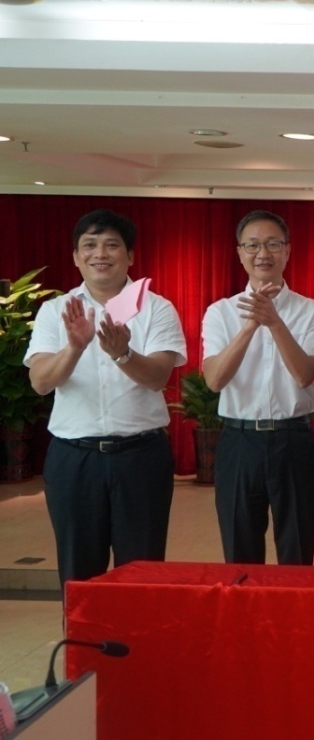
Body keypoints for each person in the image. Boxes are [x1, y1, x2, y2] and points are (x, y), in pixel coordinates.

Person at [26, 209, 186, 586]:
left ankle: (138, 629)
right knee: (78, 571)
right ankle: (83, 630)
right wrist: (74, 347)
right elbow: (40, 382)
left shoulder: (157, 308)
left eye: (112, 245)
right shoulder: (54, 310)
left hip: (140, 457)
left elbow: (157, 378)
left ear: (130, 256)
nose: (100, 254)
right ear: (76, 257)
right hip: (73, 459)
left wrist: (122, 354)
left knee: (142, 571)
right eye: (90, 245)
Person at [202, 210, 314, 565]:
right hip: (239, 442)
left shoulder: (313, 311)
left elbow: (304, 375)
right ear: (240, 253)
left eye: (273, 244)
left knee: (300, 550)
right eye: (253, 245)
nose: (263, 253)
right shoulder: (220, 312)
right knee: (239, 549)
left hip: (294, 441)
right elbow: (214, 380)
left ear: (287, 251)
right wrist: (249, 325)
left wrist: (274, 322)